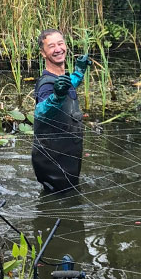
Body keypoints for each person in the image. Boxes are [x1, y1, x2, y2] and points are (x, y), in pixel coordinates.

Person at [32, 29, 89, 192]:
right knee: (59, 204)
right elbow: (40, 112)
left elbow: (68, 87)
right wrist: (56, 97)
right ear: (43, 53)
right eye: (51, 46)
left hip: (68, 157)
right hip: (53, 162)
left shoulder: (61, 81)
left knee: (70, 197)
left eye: (60, 43)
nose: (58, 49)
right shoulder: (47, 85)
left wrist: (79, 71)